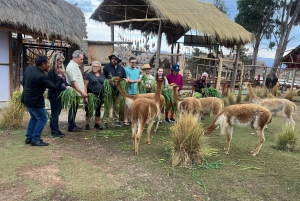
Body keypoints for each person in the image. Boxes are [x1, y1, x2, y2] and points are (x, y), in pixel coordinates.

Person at [22, 55, 64, 146]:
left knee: (34, 118)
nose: (49, 65)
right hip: (35, 100)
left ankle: (29, 138)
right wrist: (60, 76)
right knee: (42, 118)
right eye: (47, 63)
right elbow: (54, 87)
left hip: (26, 98)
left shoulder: (29, 68)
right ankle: (35, 139)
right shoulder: (41, 76)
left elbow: (23, 81)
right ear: (43, 64)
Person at [47, 53, 71, 138]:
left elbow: (63, 82)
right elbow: (54, 87)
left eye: (62, 61)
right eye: (59, 61)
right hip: (54, 95)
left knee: (57, 113)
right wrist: (60, 77)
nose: (61, 63)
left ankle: (56, 129)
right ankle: (54, 132)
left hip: (60, 95)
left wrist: (68, 86)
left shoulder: (60, 70)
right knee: (55, 114)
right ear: (55, 60)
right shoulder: (51, 72)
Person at [102, 52, 127, 128]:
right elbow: (103, 79)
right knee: (107, 106)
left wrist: (124, 80)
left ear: (118, 60)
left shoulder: (121, 69)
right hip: (109, 90)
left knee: (116, 106)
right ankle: (105, 121)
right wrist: (110, 81)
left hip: (118, 91)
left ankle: (116, 121)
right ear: (110, 59)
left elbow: (124, 78)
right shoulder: (106, 68)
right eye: (112, 58)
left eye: (116, 59)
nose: (114, 60)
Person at [66, 50, 87, 132]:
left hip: (77, 92)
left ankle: (73, 123)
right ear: (75, 58)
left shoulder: (75, 66)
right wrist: (82, 92)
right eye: (81, 59)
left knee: (74, 109)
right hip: (75, 92)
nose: (82, 61)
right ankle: (71, 126)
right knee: (73, 109)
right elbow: (74, 82)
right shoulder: (72, 67)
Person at [84, 61, 105, 130]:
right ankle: (87, 124)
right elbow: (85, 86)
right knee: (89, 110)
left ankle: (96, 124)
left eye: (96, 66)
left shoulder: (102, 75)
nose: (94, 67)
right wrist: (86, 96)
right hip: (91, 94)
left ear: (99, 67)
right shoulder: (88, 75)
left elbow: (104, 84)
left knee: (98, 109)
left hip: (100, 95)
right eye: (93, 66)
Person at [124, 57, 140, 126]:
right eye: (132, 62)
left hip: (136, 90)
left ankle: (132, 118)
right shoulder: (126, 70)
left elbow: (139, 79)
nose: (134, 63)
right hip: (129, 90)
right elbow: (128, 81)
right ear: (129, 62)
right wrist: (137, 81)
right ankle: (125, 119)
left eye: (135, 62)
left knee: (134, 105)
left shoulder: (137, 70)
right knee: (127, 105)